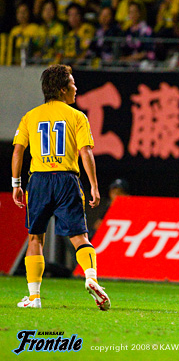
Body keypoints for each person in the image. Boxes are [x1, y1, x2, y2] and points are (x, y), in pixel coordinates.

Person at [11, 64, 110, 311]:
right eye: (73, 84)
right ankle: (91, 277)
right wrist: (94, 186)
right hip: (67, 180)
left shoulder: (30, 116)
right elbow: (85, 152)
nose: (76, 88)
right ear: (63, 89)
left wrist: (16, 184)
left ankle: (34, 297)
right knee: (79, 236)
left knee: (35, 237)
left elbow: (18, 151)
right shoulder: (77, 117)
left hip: (39, 181)